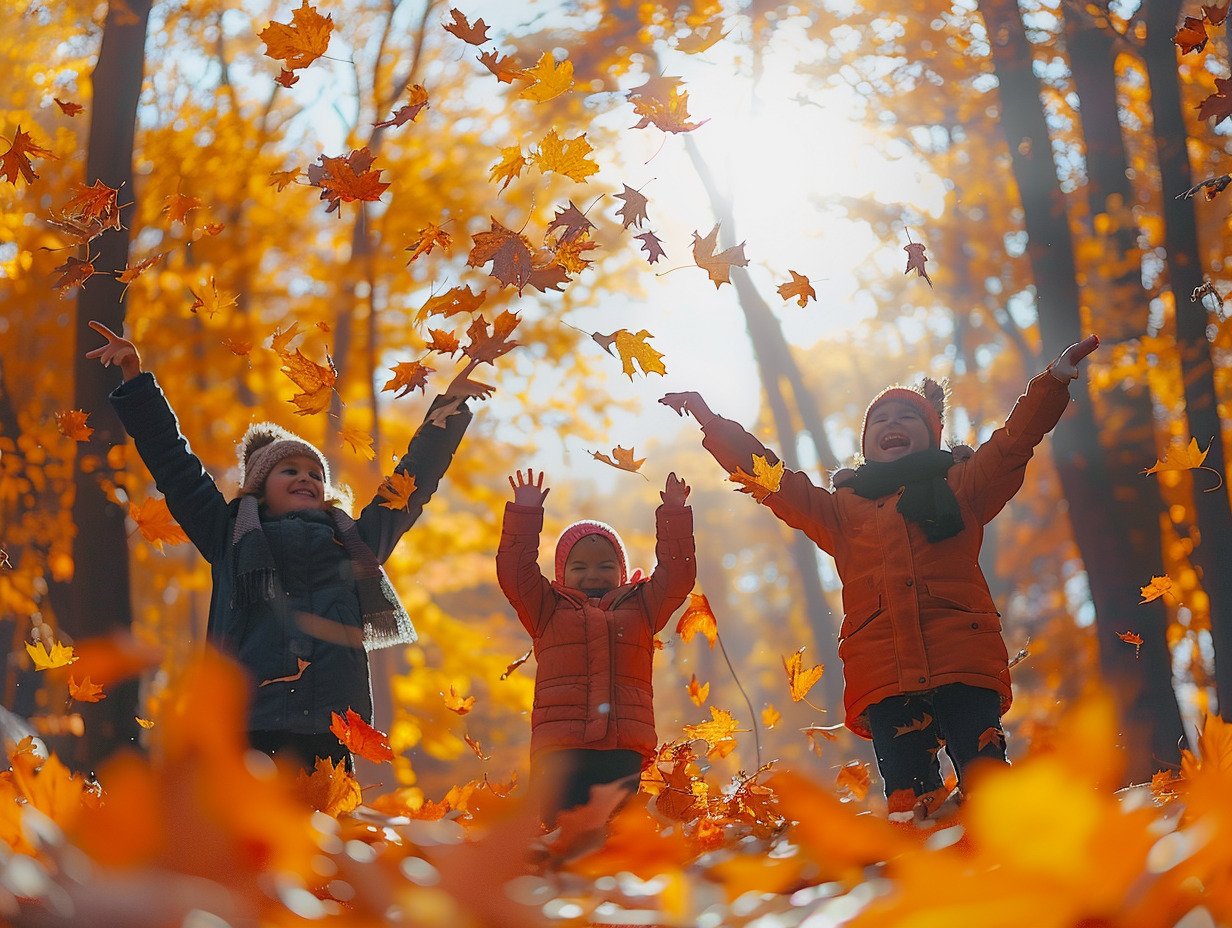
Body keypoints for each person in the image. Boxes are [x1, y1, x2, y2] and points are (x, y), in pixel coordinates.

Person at [662, 335, 1099, 819]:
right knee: (911, 802)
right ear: (867, 444)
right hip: (885, 677)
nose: (893, 423)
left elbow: (1014, 443)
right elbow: (773, 480)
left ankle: (1005, 870)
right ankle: (924, 877)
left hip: (962, 661)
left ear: (932, 435)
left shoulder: (964, 486)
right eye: (881, 420)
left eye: (908, 416)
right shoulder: (840, 512)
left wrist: (1053, 382)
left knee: (988, 785)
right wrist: (711, 422)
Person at [87, 320, 488, 771]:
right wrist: (137, 384)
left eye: (315, 474)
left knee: (328, 835)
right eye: (289, 470)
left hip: (331, 725)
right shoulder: (228, 535)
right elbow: (177, 469)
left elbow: (409, 487)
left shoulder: (353, 542)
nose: (306, 478)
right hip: (246, 723)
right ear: (259, 487)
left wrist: (449, 408)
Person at [496, 468, 695, 827]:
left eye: (605, 566)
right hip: (560, 747)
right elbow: (514, 572)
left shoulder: (643, 605)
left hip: (621, 747)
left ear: (621, 571)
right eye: (579, 566)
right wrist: (525, 515)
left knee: (611, 832)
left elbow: (677, 576)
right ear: (561, 573)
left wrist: (674, 515)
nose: (592, 575)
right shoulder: (545, 607)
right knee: (561, 830)